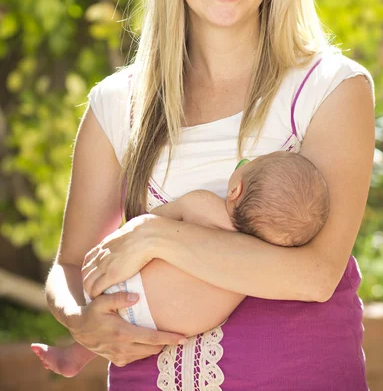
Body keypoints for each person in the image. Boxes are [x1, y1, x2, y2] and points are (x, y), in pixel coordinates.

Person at [43, 0, 375, 391]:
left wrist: (157, 236)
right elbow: (70, 266)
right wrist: (79, 319)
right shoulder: (117, 103)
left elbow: (315, 276)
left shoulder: (330, 88)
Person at [32, 151, 329, 377]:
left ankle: (73, 354)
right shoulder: (260, 261)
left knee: (104, 301)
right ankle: (75, 356)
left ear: (236, 190)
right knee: (128, 318)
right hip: (175, 327)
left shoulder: (203, 203)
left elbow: (146, 225)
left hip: (129, 290)